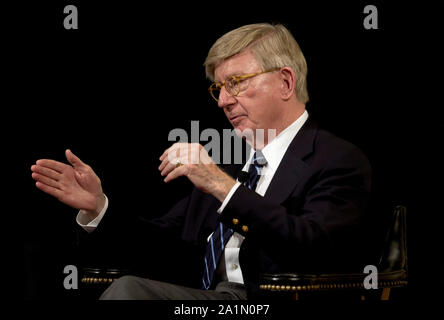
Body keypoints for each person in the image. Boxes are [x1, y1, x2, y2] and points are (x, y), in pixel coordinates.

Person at [30, 23, 373, 300]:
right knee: (129, 285)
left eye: (236, 83)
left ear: (285, 81)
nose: (223, 100)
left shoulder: (337, 160)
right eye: (219, 88)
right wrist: (98, 207)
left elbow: (315, 248)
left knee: (129, 292)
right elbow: (162, 245)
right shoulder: (236, 167)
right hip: (208, 301)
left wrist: (221, 185)